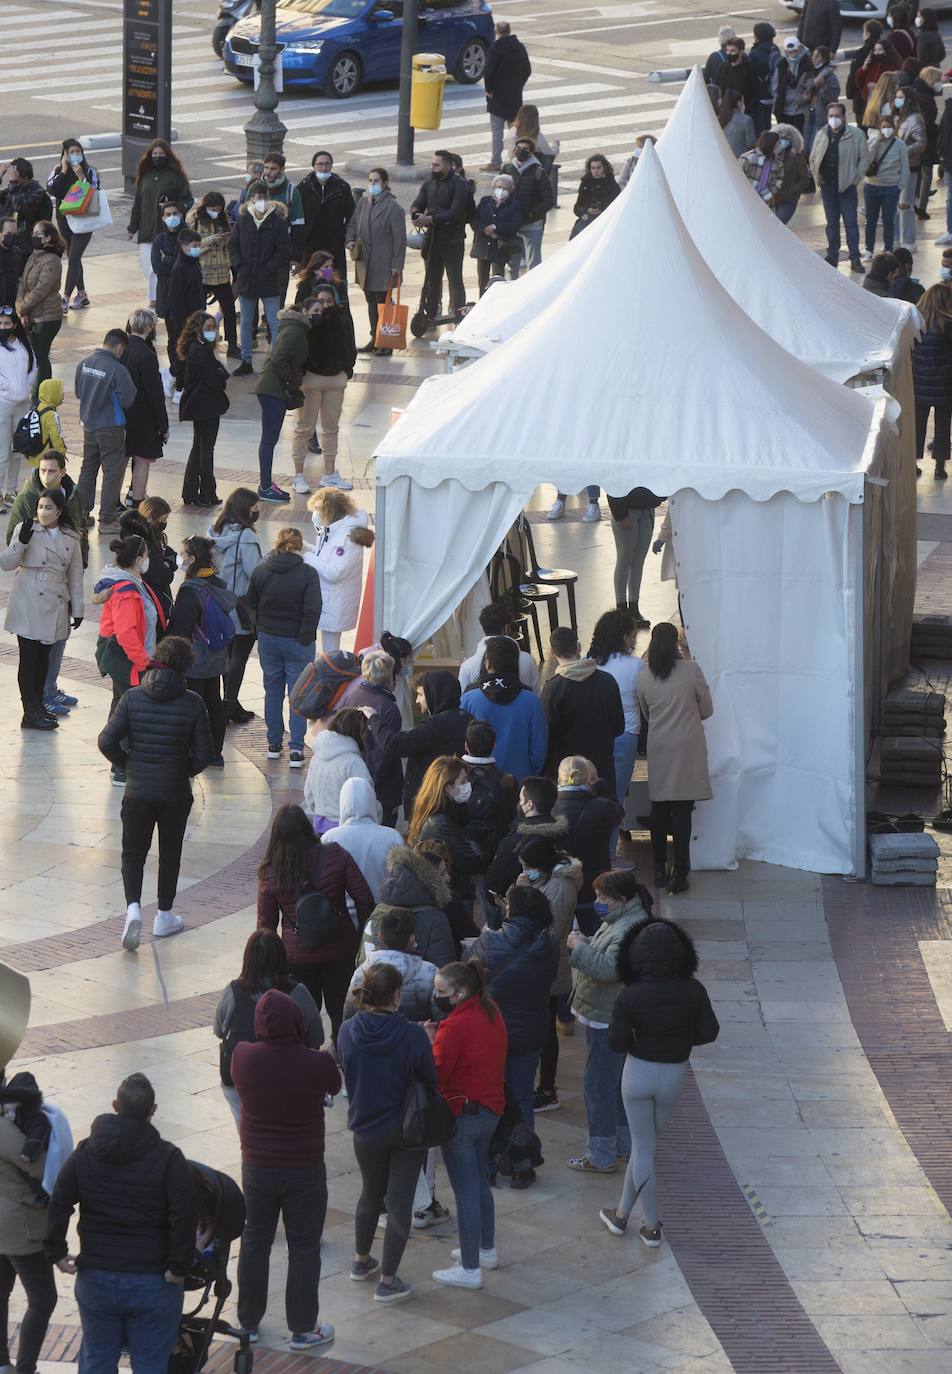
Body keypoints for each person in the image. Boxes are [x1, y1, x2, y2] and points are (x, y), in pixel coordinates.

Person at [45, 1072, 194, 1374]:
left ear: (115, 1105)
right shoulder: (169, 1158)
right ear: (153, 1111)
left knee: (97, 1361)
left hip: (96, 1277)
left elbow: (59, 1200)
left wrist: (57, 1252)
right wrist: (179, 1266)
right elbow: (184, 1215)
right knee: (151, 1364)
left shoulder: (86, 1151)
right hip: (152, 1281)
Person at [600, 916, 720, 1246]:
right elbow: (709, 1032)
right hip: (673, 1072)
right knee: (645, 1149)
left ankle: (650, 1226)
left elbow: (616, 1043)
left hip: (638, 1072)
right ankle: (621, 1215)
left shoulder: (630, 994)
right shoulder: (694, 990)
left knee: (643, 1151)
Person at [231, 989, 339, 1351]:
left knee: (255, 1240)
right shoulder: (316, 1062)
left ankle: (247, 1323)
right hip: (304, 1167)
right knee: (304, 1247)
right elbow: (335, 1085)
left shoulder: (242, 1056)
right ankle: (303, 1328)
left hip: (257, 1167)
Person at [98, 634, 214, 951]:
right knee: (170, 853)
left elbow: (106, 741)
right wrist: (183, 770)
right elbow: (205, 754)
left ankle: (133, 907)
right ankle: (164, 915)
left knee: (133, 852)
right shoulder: (193, 703)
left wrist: (129, 766)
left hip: (137, 791)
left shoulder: (133, 697)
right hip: (175, 792)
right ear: (186, 665)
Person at [336, 964, 435, 1305]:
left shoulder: (347, 1031)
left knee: (370, 1195)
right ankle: (389, 1280)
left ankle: (361, 1261)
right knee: (400, 1203)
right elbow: (429, 1080)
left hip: (365, 1126)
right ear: (396, 995)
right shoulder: (412, 1035)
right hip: (406, 1129)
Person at [257, 802, 373, 1046]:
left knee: (302, 1015)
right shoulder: (335, 854)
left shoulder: (271, 871)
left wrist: (273, 963)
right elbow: (363, 898)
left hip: (297, 956)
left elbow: (266, 926)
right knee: (341, 1009)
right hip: (340, 948)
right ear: (307, 828)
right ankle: (342, 1053)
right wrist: (361, 934)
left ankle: (308, 1059)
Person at [426, 959, 507, 1287]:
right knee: (479, 1184)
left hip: (462, 1117)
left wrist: (432, 1039)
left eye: (441, 991)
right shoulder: (490, 1010)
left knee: (465, 1192)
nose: (437, 996)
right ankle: (485, 1249)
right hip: (490, 1111)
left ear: (460, 993)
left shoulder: (454, 1027)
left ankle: (470, 1268)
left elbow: (437, 1073)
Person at [566, 868, 647, 1174]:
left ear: (621, 899)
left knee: (598, 1085)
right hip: (605, 1013)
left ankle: (600, 1154)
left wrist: (579, 947)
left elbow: (609, 968)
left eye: (603, 897)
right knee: (613, 1084)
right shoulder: (622, 919)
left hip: (607, 1017)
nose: (598, 902)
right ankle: (622, 1145)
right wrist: (588, 942)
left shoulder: (628, 926)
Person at [470, 884, 557, 1134]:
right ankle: (523, 1155)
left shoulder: (491, 940)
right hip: (532, 1029)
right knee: (523, 1096)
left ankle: (497, 1157)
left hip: (493, 1028)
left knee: (494, 1095)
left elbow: (469, 970)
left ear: (513, 909)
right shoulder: (548, 944)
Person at [214, 928, 325, 1124]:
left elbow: (219, 1030)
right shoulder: (298, 993)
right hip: (286, 1079)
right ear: (282, 958)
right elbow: (316, 1038)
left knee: (249, 1135)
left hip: (239, 1078)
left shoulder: (233, 991)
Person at [637, 622, 713, 894]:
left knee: (659, 808)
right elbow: (707, 708)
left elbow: (646, 713)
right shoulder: (691, 670)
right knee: (682, 811)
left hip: (660, 745)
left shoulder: (644, 675)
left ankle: (659, 868)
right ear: (676, 645)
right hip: (688, 745)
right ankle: (680, 870)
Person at [2, 486, 83, 732]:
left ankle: (38, 704)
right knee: (29, 658)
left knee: (44, 660)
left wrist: (77, 609)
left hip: (56, 599)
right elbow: (6, 563)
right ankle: (30, 709)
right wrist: (20, 543)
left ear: (58, 511)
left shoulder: (71, 536)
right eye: (40, 506)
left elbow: (76, 574)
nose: (43, 511)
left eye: (48, 507)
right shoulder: (26, 529)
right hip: (28, 598)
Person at [512, 836, 581, 1114]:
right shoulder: (545, 880)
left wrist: (519, 905)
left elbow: (548, 931)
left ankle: (547, 1089)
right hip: (537, 965)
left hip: (548, 967)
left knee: (545, 1032)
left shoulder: (561, 888)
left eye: (527, 866)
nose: (524, 870)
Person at [246, 526, 320, 767]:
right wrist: (306, 637)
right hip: (297, 641)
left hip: (269, 638)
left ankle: (273, 744)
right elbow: (312, 609)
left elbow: (252, 602)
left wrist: (261, 627)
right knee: (297, 695)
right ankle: (297, 749)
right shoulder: (308, 574)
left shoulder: (261, 570)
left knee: (273, 691)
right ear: (299, 547)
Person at [0, 1071, 58, 1374]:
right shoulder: (4, 1127)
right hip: (17, 1225)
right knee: (43, 1296)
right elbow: (37, 1167)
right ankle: (25, 1368)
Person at [94, 534, 167, 772]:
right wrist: (143, 661)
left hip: (134, 659)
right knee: (127, 713)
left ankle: (122, 763)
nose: (148, 559)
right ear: (138, 559)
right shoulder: (127, 590)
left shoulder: (132, 581)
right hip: (130, 662)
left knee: (122, 708)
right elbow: (126, 633)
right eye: (146, 555)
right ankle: (121, 767)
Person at [168, 533, 238, 764]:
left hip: (195, 658)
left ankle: (196, 752)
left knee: (194, 705)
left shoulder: (191, 590)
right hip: (217, 654)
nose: (179, 558)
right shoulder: (217, 582)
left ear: (192, 558)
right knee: (214, 702)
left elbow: (181, 629)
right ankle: (216, 753)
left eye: (182, 554)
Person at [370, 669, 471, 819]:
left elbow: (394, 744)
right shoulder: (467, 719)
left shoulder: (435, 726)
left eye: (421, 695)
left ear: (434, 694)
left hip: (429, 806)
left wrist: (373, 720)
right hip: (453, 805)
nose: (417, 700)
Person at [290, 284, 356, 494]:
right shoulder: (307, 322)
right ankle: (299, 476)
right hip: (311, 380)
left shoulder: (343, 320)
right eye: (322, 302)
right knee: (304, 428)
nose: (326, 306)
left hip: (336, 379)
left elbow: (350, 345)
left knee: (331, 429)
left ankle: (330, 474)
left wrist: (347, 370)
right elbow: (297, 348)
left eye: (330, 301)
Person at [542, 627, 625, 792]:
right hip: (602, 771)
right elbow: (618, 727)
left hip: (568, 776)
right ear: (579, 647)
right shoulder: (607, 681)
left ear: (552, 653)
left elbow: (548, 737)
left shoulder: (553, 689)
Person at [75, 328, 137, 535]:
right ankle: (107, 520)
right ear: (119, 347)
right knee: (112, 472)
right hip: (111, 428)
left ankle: (81, 515)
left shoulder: (83, 364)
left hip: (89, 426)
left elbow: (78, 392)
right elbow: (128, 399)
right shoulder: (117, 369)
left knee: (88, 468)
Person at [209, 487, 263, 725]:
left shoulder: (215, 531)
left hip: (217, 602)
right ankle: (230, 702)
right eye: (255, 508)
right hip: (240, 606)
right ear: (244, 509)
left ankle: (227, 700)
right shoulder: (247, 537)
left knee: (225, 654)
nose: (258, 511)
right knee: (239, 655)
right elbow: (255, 573)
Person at [460, 636, 548, 780]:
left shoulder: (468, 699)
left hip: (477, 781)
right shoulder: (532, 702)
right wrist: (529, 774)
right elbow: (539, 748)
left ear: (487, 663)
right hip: (520, 783)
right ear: (515, 663)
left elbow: (461, 741)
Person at [552, 756, 623, 933]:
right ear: (588, 779)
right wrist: (600, 785)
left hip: (559, 884)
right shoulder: (603, 808)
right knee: (596, 935)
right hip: (595, 884)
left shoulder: (548, 808)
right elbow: (619, 811)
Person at [405, 756, 486, 908]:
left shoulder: (437, 813)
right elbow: (471, 861)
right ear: (448, 788)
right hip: (452, 895)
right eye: (463, 781)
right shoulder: (441, 824)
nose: (468, 785)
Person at [229, 182, 291, 377]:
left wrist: (269, 267)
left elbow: (283, 250)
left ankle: (275, 361)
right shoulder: (243, 220)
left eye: (263, 196)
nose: (260, 200)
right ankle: (246, 360)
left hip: (269, 280)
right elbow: (233, 245)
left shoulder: (277, 222)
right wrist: (239, 265)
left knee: (274, 321)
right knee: (246, 323)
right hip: (247, 278)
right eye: (257, 196)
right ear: (251, 198)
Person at [252, 304, 312, 504]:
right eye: (315, 310)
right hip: (273, 390)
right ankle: (265, 487)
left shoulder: (289, 328)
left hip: (269, 388)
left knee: (269, 440)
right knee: (269, 440)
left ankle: (266, 484)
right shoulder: (296, 331)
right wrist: (292, 381)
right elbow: (279, 360)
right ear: (303, 312)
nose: (317, 314)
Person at [589, 608, 642, 829]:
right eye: (632, 636)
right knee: (616, 795)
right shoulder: (635, 666)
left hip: (593, 733)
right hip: (625, 734)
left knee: (592, 793)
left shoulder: (588, 662)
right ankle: (610, 855)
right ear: (624, 637)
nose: (634, 641)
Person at [338, 647, 404, 825]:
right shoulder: (388, 708)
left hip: (354, 777)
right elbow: (386, 750)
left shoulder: (352, 696)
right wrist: (369, 779)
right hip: (382, 787)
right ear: (388, 678)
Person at [304, 487, 374, 652]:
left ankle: (331, 676)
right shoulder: (331, 530)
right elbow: (325, 557)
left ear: (331, 512)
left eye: (317, 509)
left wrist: (307, 556)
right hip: (329, 598)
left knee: (331, 650)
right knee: (328, 648)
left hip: (336, 601)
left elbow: (334, 572)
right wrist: (306, 548)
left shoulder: (347, 538)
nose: (315, 514)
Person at [345, 167, 406, 353]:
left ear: (385, 183)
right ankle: (375, 337)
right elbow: (353, 223)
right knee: (371, 300)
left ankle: (385, 341)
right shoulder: (363, 202)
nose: (372, 184)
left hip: (384, 263)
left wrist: (397, 265)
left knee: (383, 302)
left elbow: (399, 240)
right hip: (365, 262)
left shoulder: (393, 208)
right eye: (370, 180)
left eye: (376, 181)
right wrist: (349, 239)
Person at [372, 842, 457, 967]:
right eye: (443, 873)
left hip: (380, 982)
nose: (448, 877)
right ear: (432, 880)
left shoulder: (381, 909)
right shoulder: (436, 918)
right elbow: (443, 966)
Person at [127, 140, 192, 304]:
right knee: (145, 265)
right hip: (146, 228)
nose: (157, 157)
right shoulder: (145, 176)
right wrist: (132, 226)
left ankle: (155, 299)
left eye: (161, 154)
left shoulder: (176, 176)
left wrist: (176, 209)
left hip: (166, 228)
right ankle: (161, 290)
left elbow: (187, 198)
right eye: (154, 154)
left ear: (167, 155)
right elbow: (138, 203)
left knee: (153, 267)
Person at [345, 906, 437, 1021]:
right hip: (416, 1035)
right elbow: (439, 1017)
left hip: (374, 1037)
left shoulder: (362, 972)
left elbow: (350, 1015)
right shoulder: (430, 972)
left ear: (380, 937)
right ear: (412, 939)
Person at [322, 776, 403, 904]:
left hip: (342, 916)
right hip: (383, 915)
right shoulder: (392, 836)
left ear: (342, 803)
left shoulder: (330, 838)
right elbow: (402, 881)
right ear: (372, 802)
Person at [486, 773, 568, 898]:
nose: (519, 803)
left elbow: (495, 884)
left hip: (523, 904)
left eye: (521, 800)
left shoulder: (515, 841)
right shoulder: (565, 832)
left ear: (529, 804)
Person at [810, 102, 870, 271]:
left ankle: (855, 259)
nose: (834, 119)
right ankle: (832, 255)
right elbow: (813, 156)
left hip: (847, 188)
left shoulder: (856, 135)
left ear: (844, 117)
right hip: (828, 187)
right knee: (832, 224)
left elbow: (865, 158)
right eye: (831, 116)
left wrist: (855, 178)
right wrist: (818, 177)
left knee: (851, 224)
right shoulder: (822, 134)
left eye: (837, 116)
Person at [410, 151, 468, 323]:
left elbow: (456, 212)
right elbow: (417, 203)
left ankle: (460, 316)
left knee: (454, 280)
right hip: (433, 238)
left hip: (452, 240)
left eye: (437, 165)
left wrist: (430, 219)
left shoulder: (459, 184)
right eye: (432, 164)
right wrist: (416, 214)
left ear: (448, 166)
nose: (433, 168)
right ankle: (431, 313)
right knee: (432, 278)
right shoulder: (430, 182)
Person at [178, 311, 229, 508]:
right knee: (206, 450)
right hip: (205, 406)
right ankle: (207, 493)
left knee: (198, 448)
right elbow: (217, 378)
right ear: (198, 329)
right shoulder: (200, 351)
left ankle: (190, 492)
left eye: (213, 327)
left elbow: (219, 371)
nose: (212, 331)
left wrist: (219, 373)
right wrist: (219, 375)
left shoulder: (198, 348)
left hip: (202, 405)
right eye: (208, 328)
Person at [121, 308, 168, 506]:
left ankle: (113, 501)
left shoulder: (121, 348)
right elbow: (155, 393)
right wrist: (162, 424)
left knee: (121, 459)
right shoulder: (147, 355)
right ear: (150, 327)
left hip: (120, 414)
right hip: (142, 417)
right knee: (142, 460)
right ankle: (136, 500)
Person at [46, 138, 100, 311]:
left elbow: (95, 191)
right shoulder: (57, 171)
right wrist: (63, 170)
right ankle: (82, 294)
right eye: (71, 152)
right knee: (72, 256)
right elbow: (52, 190)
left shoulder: (90, 171)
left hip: (84, 220)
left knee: (75, 257)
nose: (75, 155)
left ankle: (66, 297)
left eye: (78, 151)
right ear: (64, 155)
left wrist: (81, 177)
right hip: (64, 220)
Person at [187, 191, 239, 358]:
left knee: (229, 310)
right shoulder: (194, 219)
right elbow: (190, 247)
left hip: (222, 273)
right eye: (212, 209)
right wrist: (211, 240)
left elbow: (230, 247)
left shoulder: (223, 219)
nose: (215, 212)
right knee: (199, 311)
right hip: (202, 273)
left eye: (218, 209)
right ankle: (199, 342)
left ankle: (232, 344)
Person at [303, 708, 374, 831]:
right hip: (347, 828)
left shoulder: (316, 757)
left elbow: (309, 794)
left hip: (320, 824)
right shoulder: (354, 762)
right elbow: (366, 797)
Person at [15, 221, 63, 400]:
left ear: (48, 238)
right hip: (32, 315)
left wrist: (22, 307)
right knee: (34, 355)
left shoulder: (52, 261)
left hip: (47, 318)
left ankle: (41, 396)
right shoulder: (34, 256)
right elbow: (23, 284)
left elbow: (41, 290)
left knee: (41, 356)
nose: (33, 237)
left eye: (38, 234)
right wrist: (21, 308)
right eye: (33, 233)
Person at [460, 719, 516, 862]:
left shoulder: (451, 777)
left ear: (466, 746)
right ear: (494, 745)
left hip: (461, 849)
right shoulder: (507, 781)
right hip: (495, 852)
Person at [606, 485, 663, 625]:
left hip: (647, 509)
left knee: (638, 563)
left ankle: (633, 606)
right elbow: (613, 481)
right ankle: (621, 608)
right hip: (627, 510)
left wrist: (658, 496)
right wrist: (620, 513)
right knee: (624, 560)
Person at [912, 283, 952, 479]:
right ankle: (939, 468)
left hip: (919, 384)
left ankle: (914, 464)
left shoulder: (915, 322)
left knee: (917, 425)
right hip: (945, 384)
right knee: (943, 426)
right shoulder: (948, 323)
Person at [297, 151, 355, 284]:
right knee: (309, 281)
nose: (324, 168)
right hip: (311, 246)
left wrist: (343, 235)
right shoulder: (304, 187)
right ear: (314, 166)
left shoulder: (341, 187)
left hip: (333, 246)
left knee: (329, 281)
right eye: (320, 164)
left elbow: (351, 215)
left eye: (327, 164)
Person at [459, 602, 540, 693]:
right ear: (506, 627)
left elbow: (463, 701)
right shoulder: (528, 660)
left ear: (483, 627)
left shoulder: (467, 666)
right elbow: (535, 696)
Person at [483, 21, 532, 172]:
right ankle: (518, 161)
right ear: (509, 31)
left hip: (498, 97)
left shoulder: (495, 49)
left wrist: (489, 89)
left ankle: (496, 162)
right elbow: (527, 70)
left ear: (497, 31)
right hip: (515, 97)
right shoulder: (519, 47)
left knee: (497, 132)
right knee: (515, 132)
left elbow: (488, 72)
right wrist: (519, 84)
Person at [0, 308, 36, 510]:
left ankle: (11, 491)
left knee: (17, 450)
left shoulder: (23, 345)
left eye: (7, 323)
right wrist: (9, 388)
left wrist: (26, 386)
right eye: (0, 324)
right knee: (2, 453)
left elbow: (34, 367)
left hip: (22, 404)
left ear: (14, 324)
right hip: (3, 405)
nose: (3, 327)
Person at [502, 138, 556, 271]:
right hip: (512, 222)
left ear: (531, 152)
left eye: (525, 149)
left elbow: (548, 200)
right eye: (518, 148)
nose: (520, 151)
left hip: (532, 223)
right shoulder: (508, 169)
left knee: (534, 262)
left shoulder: (538, 171)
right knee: (511, 261)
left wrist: (532, 213)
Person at [119, 496, 175, 621]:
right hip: (149, 596)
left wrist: (167, 562)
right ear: (150, 517)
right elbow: (160, 574)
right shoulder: (140, 542)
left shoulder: (152, 533)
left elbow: (169, 552)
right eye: (163, 519)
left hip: (152, 595)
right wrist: (167, 566)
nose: (165, 523)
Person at [165, 228, 206, 391]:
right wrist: (184, 326)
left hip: (195, 317)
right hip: (184, 321)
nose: (197, 248)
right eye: (194, 245)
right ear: (183, 246)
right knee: (182, 354)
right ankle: (178, 384)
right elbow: (176, 301)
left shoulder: (194, 264)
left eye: (199, 245)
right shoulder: (179, 269)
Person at [864, 114, 909, 255]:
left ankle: (888, 248)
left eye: (889, 127)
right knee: (870, 220)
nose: (886, 130)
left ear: (894, 129)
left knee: (888, 221)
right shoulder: (873, 142)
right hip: (872, 186)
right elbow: (867, 161)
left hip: (891, 188)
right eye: (883, 127)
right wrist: (877, 142)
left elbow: (905, 167)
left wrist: (899, 187)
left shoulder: (900, 145)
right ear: (879, 128)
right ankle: (868, 250)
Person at [472, 174, 523, 294]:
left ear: (510, 190)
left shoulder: (514, 205)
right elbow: (475, 220)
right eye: (499, 187)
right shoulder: (485, 201)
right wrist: (484, 229)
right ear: (493, 187)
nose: (501, 191)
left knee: (497, 279)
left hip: (500, 247)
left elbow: (515, 224)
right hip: (483, 245)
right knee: (482, 280)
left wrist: (496, 228)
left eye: (505, 188)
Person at [150, 201, 184, 376]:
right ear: (163, 218)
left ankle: (184, 371)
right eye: (168, 214)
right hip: (168, 295)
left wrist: (167, 259)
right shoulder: (159, 240)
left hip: (186, 295)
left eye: (175, 213)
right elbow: (157, 267)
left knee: (186, 336)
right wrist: (175, 260)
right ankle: (175, 371)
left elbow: (187, 265)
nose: (172, 217)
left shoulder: (187, 236)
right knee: (173, 338)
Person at [895, 86, 926, 248]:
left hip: (909, 167)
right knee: (893, 205)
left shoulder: (915, 119)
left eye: (900, 97)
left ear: (908, 100)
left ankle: (908, 240)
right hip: (893, 168)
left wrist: (901, 151)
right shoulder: (897, 117)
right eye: (896, 96)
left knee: (905, 204)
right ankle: (894, 240)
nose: (897, 100)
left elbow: (921, 143)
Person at [0, 160, 53, 252]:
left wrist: (13, 182)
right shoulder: (14, 189)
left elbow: (21, 207)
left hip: (27, 246)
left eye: (15, 174)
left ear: (25, 176)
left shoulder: (36, 192)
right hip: (12, 242)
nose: (11, 177)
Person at [913, 65, 941, 221]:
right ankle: (921, 207)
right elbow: (928, 123)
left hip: (913, 139)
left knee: (916, 173)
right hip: (926, 141)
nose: (939, 83)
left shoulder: (915, 92)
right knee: (926, 174)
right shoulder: (927, 99)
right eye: (937, 80)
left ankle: (915, 202)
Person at [570, 154, 620, 239]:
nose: (596, 171)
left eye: (598, 168)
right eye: (593, 168)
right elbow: (577, 208)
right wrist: (587, 210)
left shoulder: (611, 185)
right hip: (587, 222)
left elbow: (618, 206)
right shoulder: (586, 183)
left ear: (604, 168)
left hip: (605, 223)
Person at [773, 123, 813, 224]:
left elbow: (805, 178)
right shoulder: (771, 155)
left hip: (788, 200)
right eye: (781, 137)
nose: (784, 140)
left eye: (787, 138)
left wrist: (794, 191)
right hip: (771, 199)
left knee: (779, 226)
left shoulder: (796, 156)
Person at [772, 37, 814, 132]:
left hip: (801, 111)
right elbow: (775, 86)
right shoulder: (782, 64)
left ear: (799, 48)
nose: (793, 55)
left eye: (795, 51)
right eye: (789, 52)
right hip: (783, 110)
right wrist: (777, 102)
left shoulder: (807, 63)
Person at [715, 38, 763, 117]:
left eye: (733, 51)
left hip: (743, 111)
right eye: (727, 50)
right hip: (724, 111)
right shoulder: (723, 67)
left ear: (741, 52)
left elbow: (754, 93)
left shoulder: (749, 69)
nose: (729, 53)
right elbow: (718, 88)